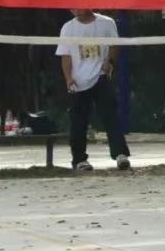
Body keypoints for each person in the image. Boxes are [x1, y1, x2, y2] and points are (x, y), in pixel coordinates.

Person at [56, 9, 130, 171]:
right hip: (78, 81)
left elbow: (115, 45)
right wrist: (68, 78)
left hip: (100, 77)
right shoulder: (68, 28)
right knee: (78, 121)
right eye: (72, 6)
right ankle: (79, 160)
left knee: (110, 116)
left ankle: (120, 154)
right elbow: (65, 56)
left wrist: (110, 62)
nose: (74, 9)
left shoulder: (106, 23)